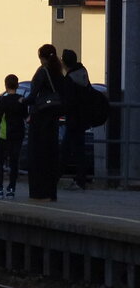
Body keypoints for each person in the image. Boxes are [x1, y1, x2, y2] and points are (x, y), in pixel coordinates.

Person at [23, 43, 64, 201]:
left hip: (40, 118)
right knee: (51, 155)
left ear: (42, 58)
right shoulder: (58, 72)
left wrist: (22, 101)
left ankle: (38, 192)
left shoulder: (42, 71)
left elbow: (33, 95)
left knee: (37, 155)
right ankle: (51, 192)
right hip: (53, 117)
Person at [0, 74, 26, 199]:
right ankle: (11, 189)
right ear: (17, 85)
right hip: (18, 134)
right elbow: (26, 115)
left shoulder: (3, 100)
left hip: (5, 134)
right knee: (14, 162)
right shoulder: (21, 100)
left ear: (6, 85)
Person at [61, 49, 91, 191]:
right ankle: (81, 180)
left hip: (73, 118)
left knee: (65, 149)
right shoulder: (83, 73)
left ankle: (57, 177)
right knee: (79, 150)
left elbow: (68, 101)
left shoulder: (69, 79)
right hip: (83, 117)